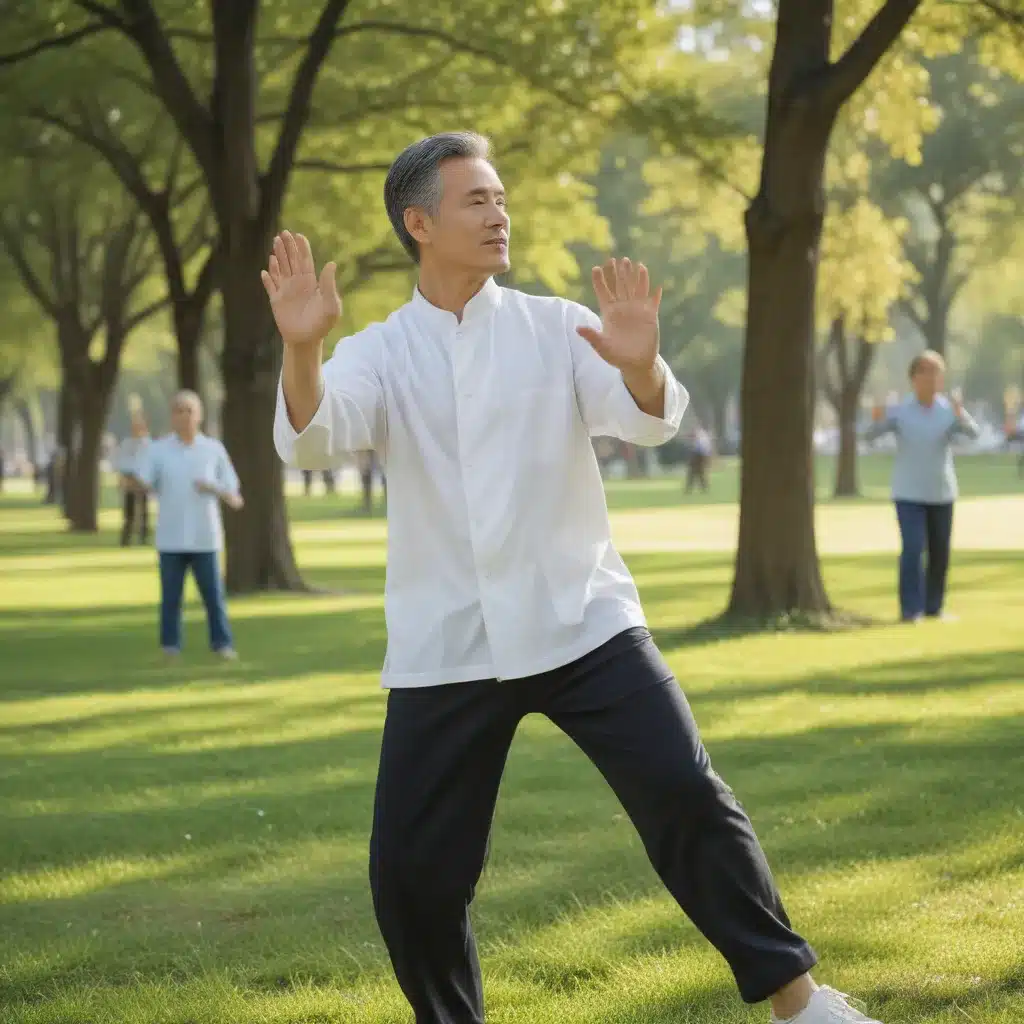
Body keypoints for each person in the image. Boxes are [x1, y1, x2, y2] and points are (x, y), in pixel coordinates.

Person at [267, 132, 881, 1024]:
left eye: (500, 197)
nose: (498, 213)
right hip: (449, 644)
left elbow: (648, 423)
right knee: (412, 876)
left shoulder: (557, 328)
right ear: (418, 222)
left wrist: (636, 364)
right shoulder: (379, 350)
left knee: (686, 796)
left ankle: (803, 1004)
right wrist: (300, 351)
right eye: (475, 200)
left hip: (583, 621)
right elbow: (318, 436)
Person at [863, 351, 980, 622]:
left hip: (941, 492)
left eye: (936, 373)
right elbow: (870, 436)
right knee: (913, 548)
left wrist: (961, 415)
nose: (931, 379)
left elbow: (973, 434)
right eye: (925, 372)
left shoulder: (948, 410)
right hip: (908, 493)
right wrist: (876, 418)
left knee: (940, 552)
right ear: (913, 378)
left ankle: (934, 607)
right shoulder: (900, 412)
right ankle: (910, 610)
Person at [130, 390, 243, 659]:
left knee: (213, 597)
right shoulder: (157, 450)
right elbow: (141, 483)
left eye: (189, 410)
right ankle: (170, 646)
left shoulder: (213, 450)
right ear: (171, 416)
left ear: (199, 415)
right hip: (170, 537)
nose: (184, 416)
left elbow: (235, 497)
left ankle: (222, 644)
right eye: (178, 410)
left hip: (205, 537)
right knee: (171, 598)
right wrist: (135, 476)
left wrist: (212, 487)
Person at [114, 410, 151, 546]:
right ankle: (126, 537)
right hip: (130, 480)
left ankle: (143, 537)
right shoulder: (127, 443)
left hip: (143, 481)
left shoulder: (148, 444)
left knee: (143, 511)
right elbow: (122, 461)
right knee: (129, 512)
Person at [685, 423, 713, 493]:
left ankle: (693, 488)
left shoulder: (700, 436)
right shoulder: (703, 435)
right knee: (698, 473)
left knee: (696, 473)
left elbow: (700, 448)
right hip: (700, 456)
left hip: (699, 456)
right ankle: (702, 488)